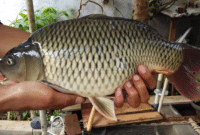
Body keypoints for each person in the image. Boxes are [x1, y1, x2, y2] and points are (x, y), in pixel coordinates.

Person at [0, 23, 156, 112]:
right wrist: (8, 96)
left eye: (10, 62)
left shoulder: (38, 45)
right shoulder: (37, 47)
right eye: (10, 62)